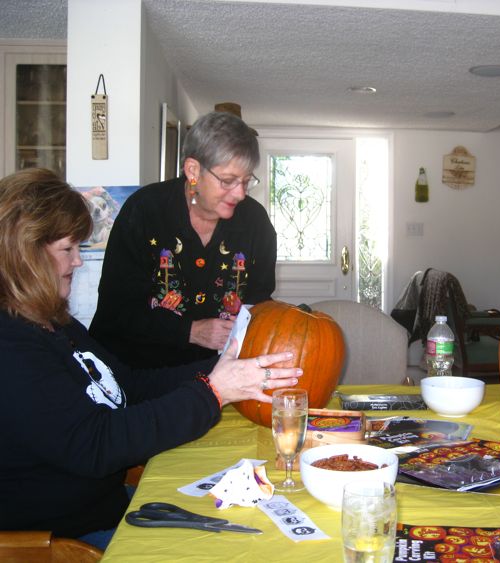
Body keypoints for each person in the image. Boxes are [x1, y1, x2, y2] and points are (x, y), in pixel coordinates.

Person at [0, 168, 301, 549]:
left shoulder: (55, 324)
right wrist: (213, 393)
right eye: (67, 249)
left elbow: (130, 385)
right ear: (24, 254)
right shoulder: (10, 345)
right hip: (67, 540)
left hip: (111, 508)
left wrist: (221, 369)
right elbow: (97, 443)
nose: (77, 262)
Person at [89, 111, 276, 368]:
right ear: (193, 170)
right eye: (229, 181)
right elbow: (117, 311)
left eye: (246, 181)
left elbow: (259, 303)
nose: (241, 194)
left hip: (215, 374)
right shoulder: (144, 211)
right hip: (136, 374)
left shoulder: (256, 223)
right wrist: (190, 331)